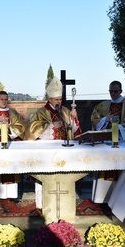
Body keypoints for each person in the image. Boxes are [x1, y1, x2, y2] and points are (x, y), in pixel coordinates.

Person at [27, 76, 82, 208]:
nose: (59, 102)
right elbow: (32, 131)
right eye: (56, 99)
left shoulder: (65, 111)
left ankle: (63, 202)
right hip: (47, 151)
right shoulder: (41, 112)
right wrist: (51, 126)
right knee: (44, 176)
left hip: (64, 149)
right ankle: (41, 205)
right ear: (50, 99)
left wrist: (73, 119)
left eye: (60, 99)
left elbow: (74, 130)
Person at [90, 80, 125, 202]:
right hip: (106, 141)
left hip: (121, 141)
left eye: (115, 91)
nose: (113, 93)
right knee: (105, 168)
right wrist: (106, 119)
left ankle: (121, 198)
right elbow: (94, 119)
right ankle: (103, 198)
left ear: (121, 91)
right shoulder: (103, 105)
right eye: (111, 91)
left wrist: (117, 125)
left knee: (120, 169)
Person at [0, 91, 26, 199]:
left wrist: (8, 127)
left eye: (6, 99)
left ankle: (12, 195)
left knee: (10, 168)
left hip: (11, 145)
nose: (4, 101)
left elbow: (20, 128)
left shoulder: (13, 113)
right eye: (1, 99)